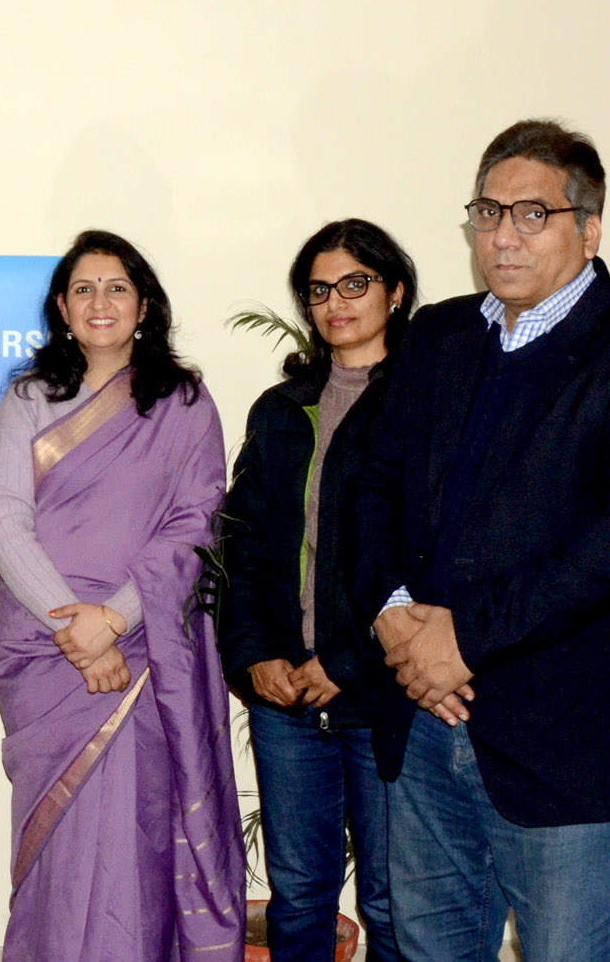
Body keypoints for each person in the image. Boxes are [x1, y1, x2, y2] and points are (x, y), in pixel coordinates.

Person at [352, 119, 610, 961]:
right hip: (424, 722)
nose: (503, 236)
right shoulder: (439, 336)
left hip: (570, 739)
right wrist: (396, 616)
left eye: (532, 214)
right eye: (488, 212)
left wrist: (461, 640)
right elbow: (370, 487)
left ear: (590, 229)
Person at [0, 229, 242, 961]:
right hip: (45, 653)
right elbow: (3, 522)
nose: (101, 302)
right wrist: (76, 630)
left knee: (137, 837)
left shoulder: (184, 403)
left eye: (117, 288)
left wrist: (116, 620)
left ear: (144, 306)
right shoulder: (29, 398)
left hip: (147, 650)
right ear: (62, 308)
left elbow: (196, 525)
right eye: (84, 289)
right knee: (60, 846)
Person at [218, 219, 418, 961]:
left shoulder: (424, 403)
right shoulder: (281, 410)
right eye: (320, 289)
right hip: (286, 695)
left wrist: (348, 661)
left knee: (392, 900)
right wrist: (255, 655)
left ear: (395, 293)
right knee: (299, 893)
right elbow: (240, 541)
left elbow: (425, 558)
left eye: (355, 284)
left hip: (382, 692)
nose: (336, 302)